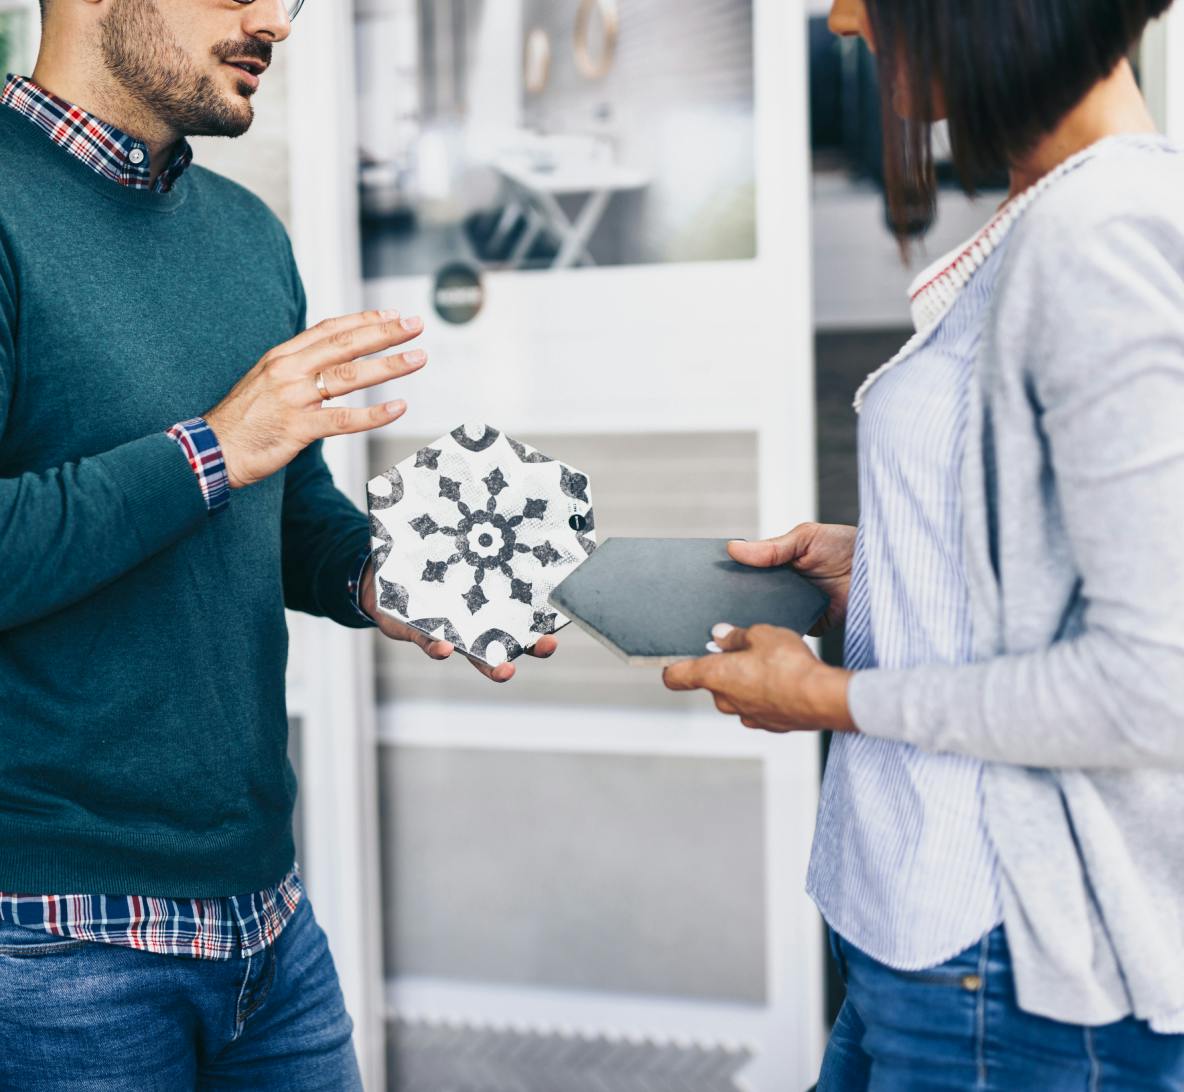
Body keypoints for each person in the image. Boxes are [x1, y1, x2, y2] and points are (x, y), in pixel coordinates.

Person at [0, 0, 557, 1087]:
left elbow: (285, 508)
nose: (273, 21)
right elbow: (226, 459)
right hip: (51, 945)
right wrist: (213, 444)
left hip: (266, 923)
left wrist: (380, 576)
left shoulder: (248, 234)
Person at [664, 0, 1184, 1087]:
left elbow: (1150, 685)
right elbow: (1062, 561)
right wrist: (894, 569)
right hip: (931, 943)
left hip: (1007, 967)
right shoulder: (1056, 215)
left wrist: (826, 700)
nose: (841, 15)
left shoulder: (1103, 236)